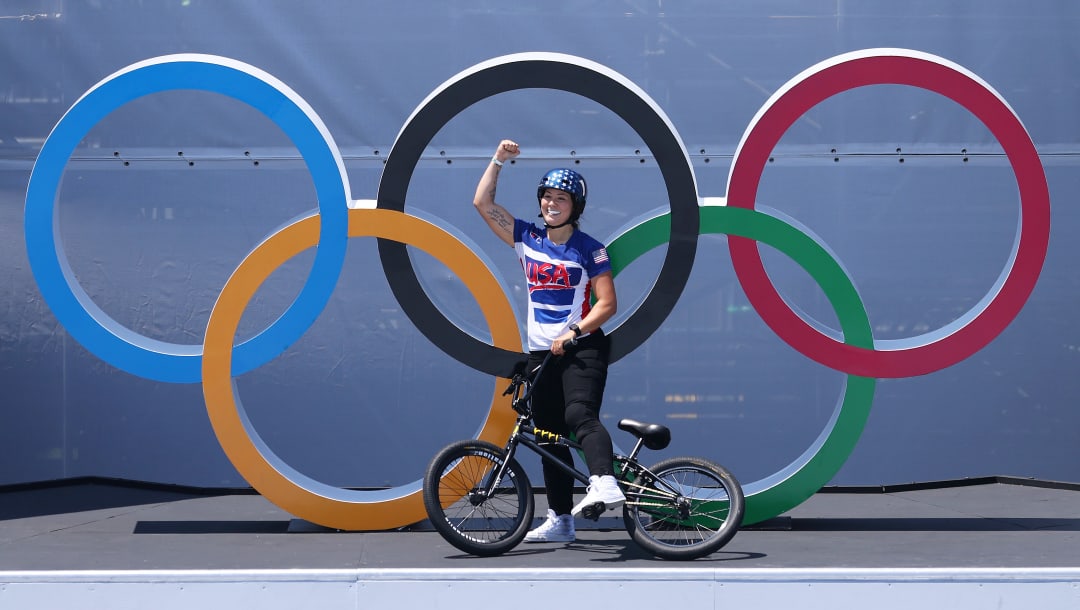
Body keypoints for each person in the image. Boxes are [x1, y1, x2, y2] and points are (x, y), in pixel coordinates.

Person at [472, 139, 625, 543]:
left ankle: (605, 482)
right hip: (541, 353)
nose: (552, 204)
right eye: (547, 197)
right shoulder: (526, 238)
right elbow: (482, 204)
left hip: (582, 347)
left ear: (576, 205)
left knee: (579, 416)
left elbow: (607, 304)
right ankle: (561, 520)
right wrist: (498, 160)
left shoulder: (591, 250)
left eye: (561, 199)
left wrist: (573, 332)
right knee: (547, 437)